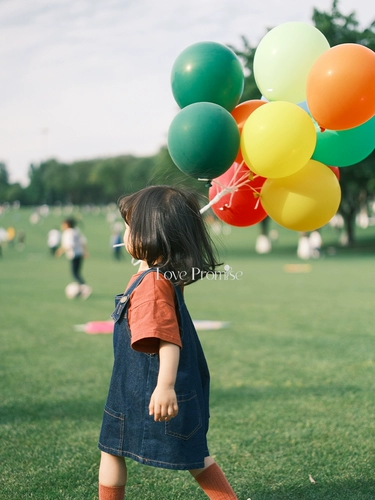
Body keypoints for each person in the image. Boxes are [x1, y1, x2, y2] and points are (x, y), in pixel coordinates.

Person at [98, 186, 238, 500]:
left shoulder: (152, 284)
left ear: (151, 234)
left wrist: (165, 386)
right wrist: (149, 266)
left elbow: (168, 340)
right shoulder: (157, 277)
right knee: (116, 450)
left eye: (131, 226)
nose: (125, 232)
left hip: (152, 391)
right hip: (131, 390)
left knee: (122, 451)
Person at [56, 218, 92, 299]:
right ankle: (82, 289)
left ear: (67, 224)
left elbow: (69, 245)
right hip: (79, 254)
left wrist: (60, 251)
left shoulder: (68, 233)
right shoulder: (76, 231)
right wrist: (85, 251)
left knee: (75, 273)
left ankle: (85, 288)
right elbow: (83, 241)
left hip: (74, 254)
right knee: (76, 273)